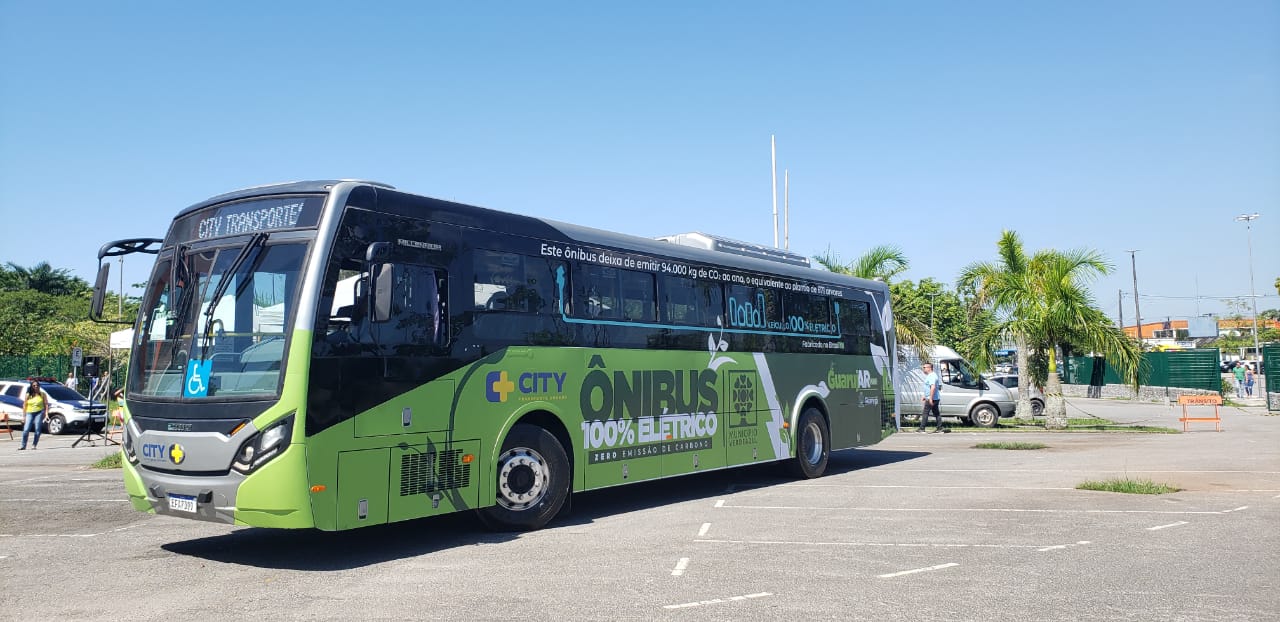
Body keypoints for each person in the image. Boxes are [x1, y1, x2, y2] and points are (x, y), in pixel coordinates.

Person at [18, 380, 49, 450]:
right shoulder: (28, 395)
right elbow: (24, 405)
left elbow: (46, 404)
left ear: (39, 386)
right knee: (26, 429)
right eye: (34, 386)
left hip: (39, 412)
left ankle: (34, 444)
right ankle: (23, 445)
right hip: (29, 412)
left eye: (37, 385)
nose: (36, 387)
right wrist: (24, 416)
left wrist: (46, 414)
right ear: (32, 387)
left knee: (37, 429)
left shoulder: (42, 394)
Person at [918, 362, 946, 433]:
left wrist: (930, 398)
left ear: (929, 368)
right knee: (936, 413)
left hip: (932, 398)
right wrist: (924, 395)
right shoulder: (930, 376)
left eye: (924, 367)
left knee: (925, 413)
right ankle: (940, 428)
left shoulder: (932, 376)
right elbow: (927, 387)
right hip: (933, 398)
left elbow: (933, 387)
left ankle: (922, 428)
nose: (923, 369)